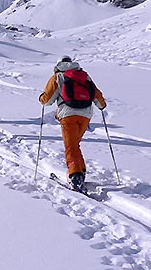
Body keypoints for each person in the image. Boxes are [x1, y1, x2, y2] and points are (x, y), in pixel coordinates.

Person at [38, 56, 107, 191]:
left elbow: (47, 100)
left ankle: (75, 177)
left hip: (68, 115)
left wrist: (41, 98)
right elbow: (97, 95)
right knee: (74, 145)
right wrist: (102, 106)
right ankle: (80, 171)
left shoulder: (58, 77)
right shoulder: (84, 76)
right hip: (86, 115)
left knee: (70, 147)